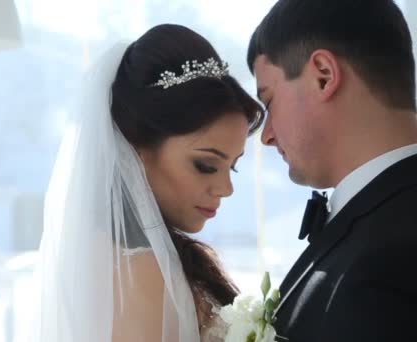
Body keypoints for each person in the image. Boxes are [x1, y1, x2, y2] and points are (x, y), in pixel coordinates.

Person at [29, 24, 264, 342]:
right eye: (206, 165)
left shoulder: (109, 256)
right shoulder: (141, 272)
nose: (225, 188)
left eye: (231, 168)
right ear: (135, 151)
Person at [247, 0, 417, 341]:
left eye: (267, 101)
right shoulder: (377, 220)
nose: (265, 136)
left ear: (323, 75)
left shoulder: (392, 253)